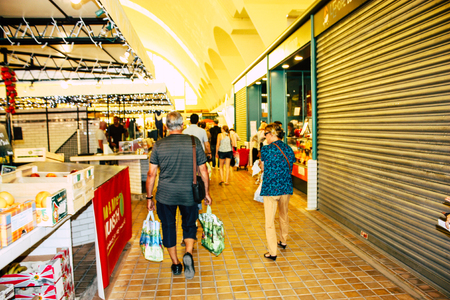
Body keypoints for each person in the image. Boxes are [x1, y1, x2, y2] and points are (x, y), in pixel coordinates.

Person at [146, 111, 212, 279]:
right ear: (182, 125)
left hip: (165, 195)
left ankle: (176, 264)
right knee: (189, 225)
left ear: (166, 126)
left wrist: (149, 198)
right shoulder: (193, 141)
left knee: (168, 227)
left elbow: (151, 174)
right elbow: (203, 170)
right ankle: (188, 253)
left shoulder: (159, 145)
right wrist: (207, 192)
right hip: (189, 194)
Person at [260, 123, 295, 261]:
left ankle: (272, 252)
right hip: (286, 187)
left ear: (273, 134)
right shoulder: (288, 149)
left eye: (266, 133)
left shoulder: (266, 149)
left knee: (269, 221)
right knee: (283, 214)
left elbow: (263, 167)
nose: (265, 136)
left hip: (271, 189)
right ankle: (283, 240)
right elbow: (290, 166)